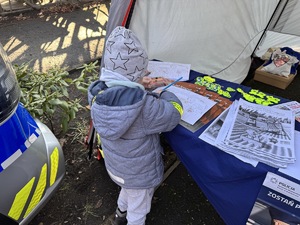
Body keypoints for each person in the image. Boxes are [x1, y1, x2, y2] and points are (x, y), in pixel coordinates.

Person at [87, 26, 183, 225]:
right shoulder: (145, 108)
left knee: (127, 192)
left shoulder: (98, 93)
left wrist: (140, 85)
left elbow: (124, 94)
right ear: (136, 74)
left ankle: (119, 214)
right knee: (139, 209)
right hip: (140, 174)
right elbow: (172, 114)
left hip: (117, 168)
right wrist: (166, 93)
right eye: (142, 72)